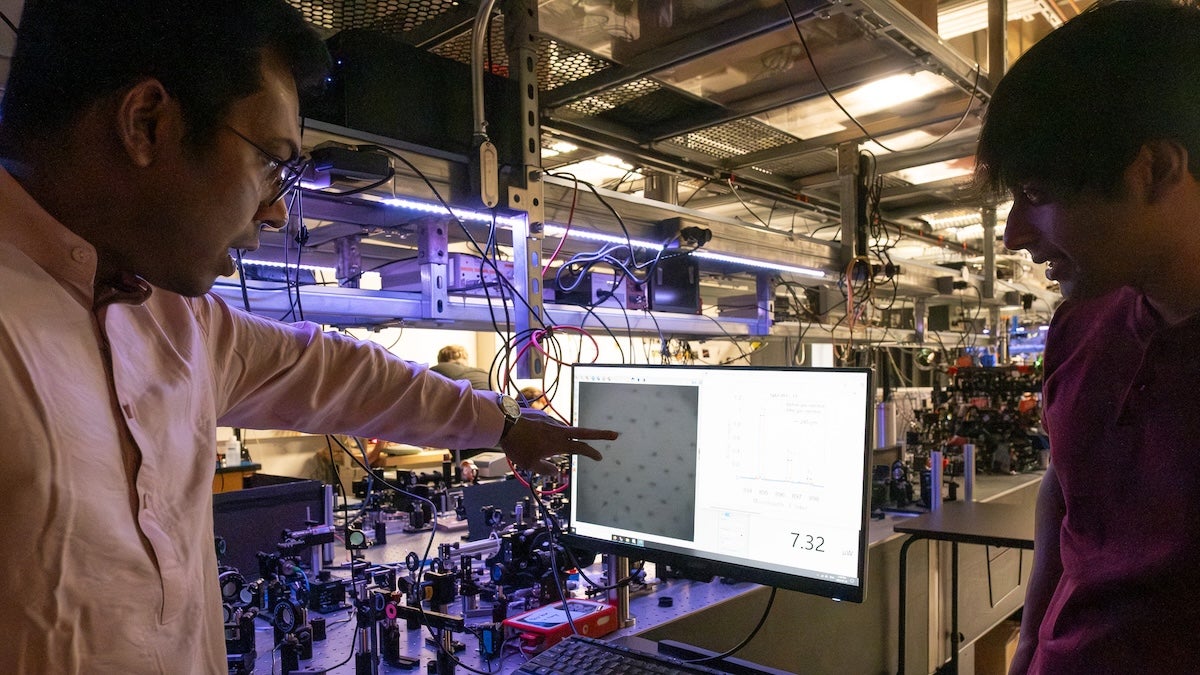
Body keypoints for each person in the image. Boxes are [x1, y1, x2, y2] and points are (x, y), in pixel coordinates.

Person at [0, 2, 616, 671]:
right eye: (271, 161)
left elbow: (336, 372)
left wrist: (501, 425)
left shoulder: (178, 321)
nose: (277, 206)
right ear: (147, 123)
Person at [974, 2, 1200, 671]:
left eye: (1038, 194)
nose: (1015, 233)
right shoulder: (1081, 323)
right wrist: (1029, 641)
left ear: (1156, 169)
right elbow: (1066, 486)